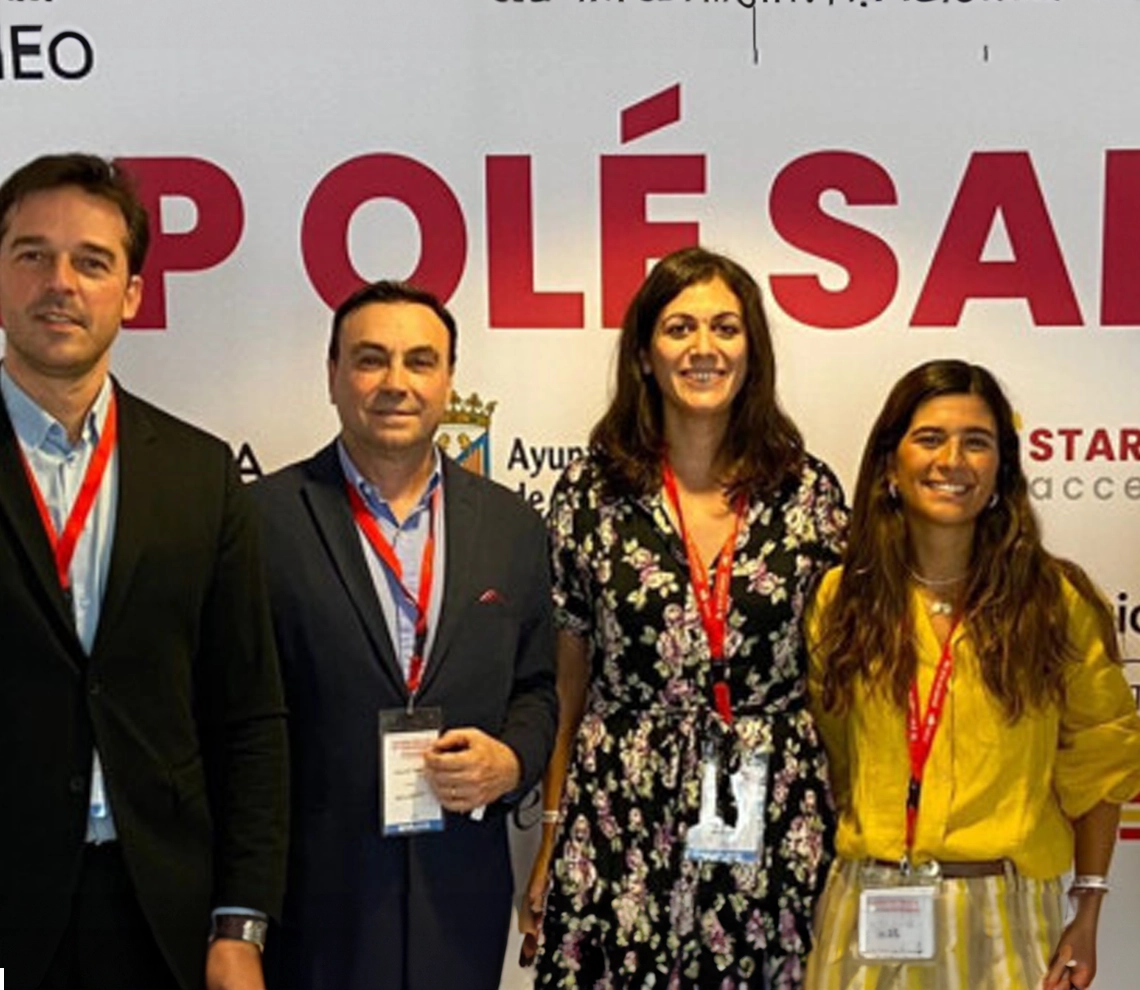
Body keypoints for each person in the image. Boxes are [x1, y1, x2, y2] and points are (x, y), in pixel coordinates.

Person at [519, 247, 848, 987]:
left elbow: (838, 678)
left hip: (775, 806)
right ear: (644, 354)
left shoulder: (808, 493)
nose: (704, 348)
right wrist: (551, 832)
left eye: (725, 328)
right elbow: (568, 681)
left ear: (752, 352)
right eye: (679, 328)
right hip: (620, 809)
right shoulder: (591, 493)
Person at [0, 152, 288, 990]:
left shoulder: (200, 474)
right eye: (32, 255)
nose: (61, 283)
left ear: (130, 294)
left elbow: (249, 714)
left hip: (161, 917)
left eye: (92, 262)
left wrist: (242, 921)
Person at [806, 359, 1140, 990]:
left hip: (1006, 918)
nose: (952, 460)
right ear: (889, 465)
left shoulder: (1054, 602)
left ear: (1002, 469)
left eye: (976, 442)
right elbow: (836, 755)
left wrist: (1089, 908)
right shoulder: (842, 600)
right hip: (870, 908)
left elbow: (1103, 762)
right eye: (930, 438)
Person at [253, 280, 556, 990]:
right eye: (370, 360)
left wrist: (512, 761)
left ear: (448, 380)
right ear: (332, 375)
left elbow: (538, 687)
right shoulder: (260, 521)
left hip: (462, 892)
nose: (396, 382)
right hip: (317, 897)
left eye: (420, 361)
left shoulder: (513, 526)